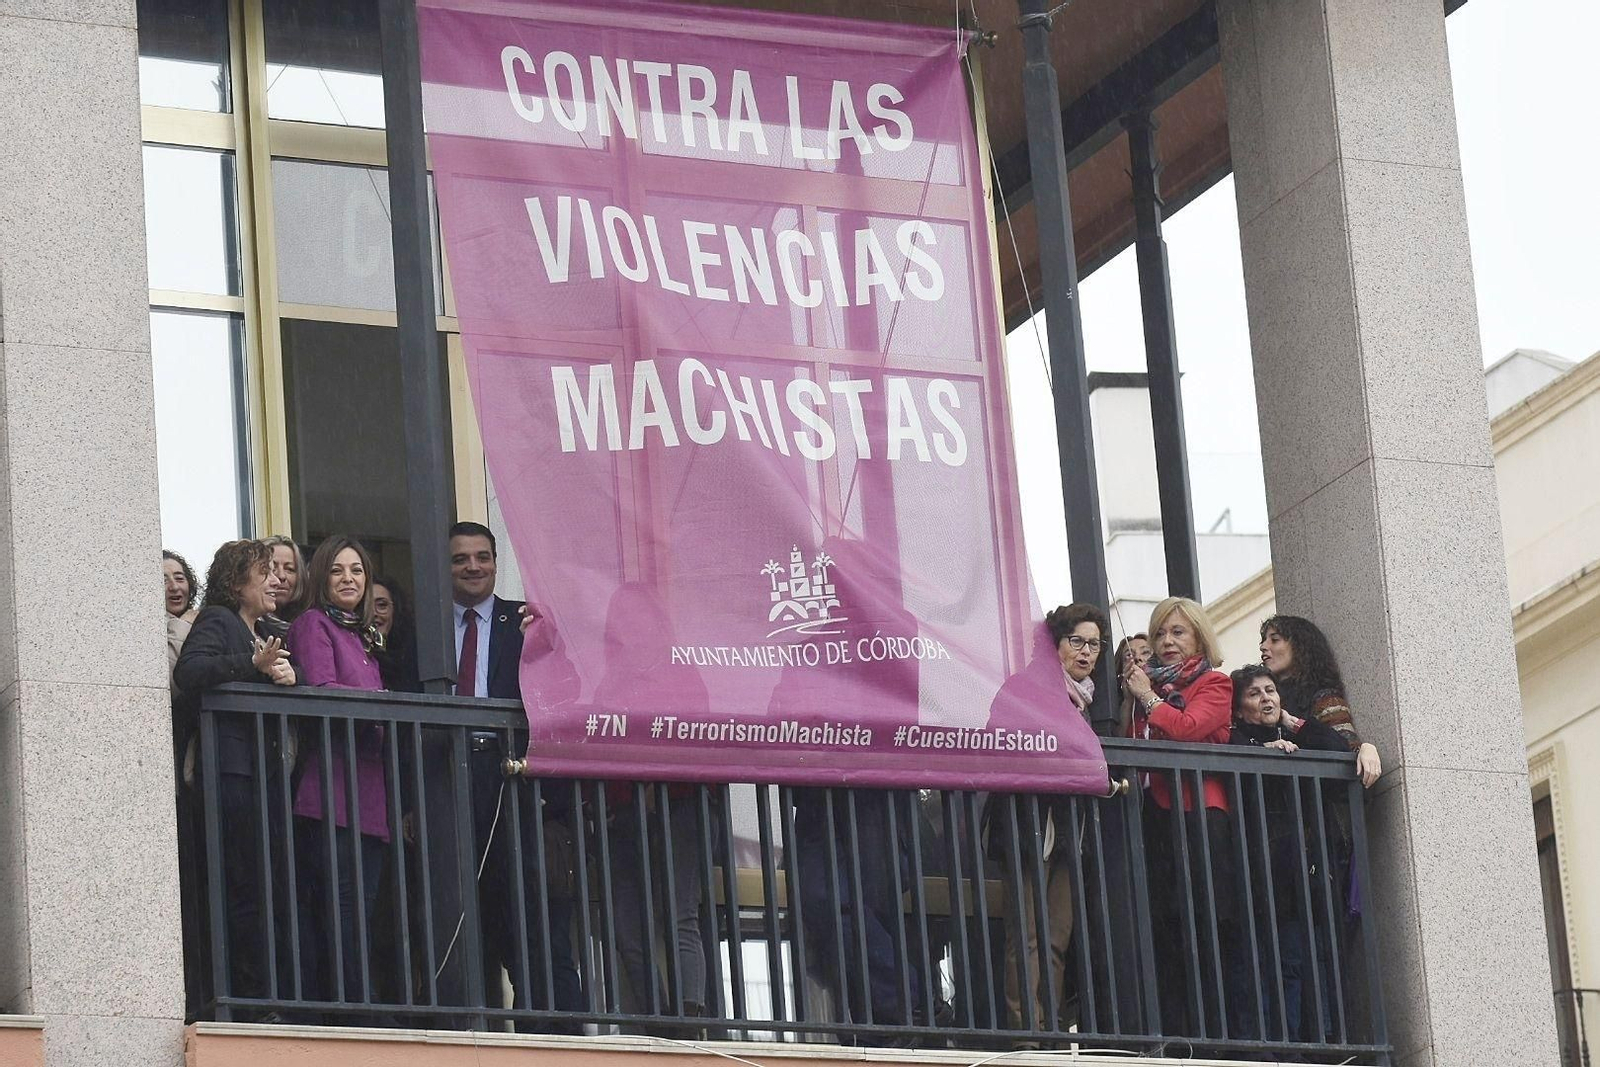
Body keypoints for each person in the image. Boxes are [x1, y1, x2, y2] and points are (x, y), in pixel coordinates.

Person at [447, 520, 584, 1028]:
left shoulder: (521, 621)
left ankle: (555, 1032)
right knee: (467, 908)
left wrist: (543, 642)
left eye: (482, 556)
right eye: (461, 558)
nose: (473, 566)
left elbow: (562, 689)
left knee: (532, 910)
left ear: (495, 561)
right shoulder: (430, 626)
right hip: (453, 778)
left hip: (515, 779)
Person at [172, 538, 297, 1018]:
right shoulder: (219, 620)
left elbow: (274, 673)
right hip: (229, 773)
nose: (276, 580)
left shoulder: (262, 628)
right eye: (264, 572)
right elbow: (191, 670)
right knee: (241, 884)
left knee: (260, 885)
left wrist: (289, 675)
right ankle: (244, 997)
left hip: (257, 775)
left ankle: (258, 992)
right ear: (235, 582)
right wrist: (254, 665)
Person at [594, 583, 711, 1027]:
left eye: (638, 617)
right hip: (621, 816)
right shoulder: (611, 678)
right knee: (628, 930)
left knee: (680, 913)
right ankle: (658, 1017)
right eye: (620, 618)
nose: (629, 627)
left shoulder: (680, 673)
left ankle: (688, 1018)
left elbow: (693, 735)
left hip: (676, 808)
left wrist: (650, 785)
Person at [1123, 596, 1238, 1040]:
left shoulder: (1215, 683)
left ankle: (1219, 1037)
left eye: (1178, 632)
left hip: (1201, 817)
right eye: (1160, 634)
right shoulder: (1141, 687)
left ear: (1198, 637)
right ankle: (1179, 1034)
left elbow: (1189, 728)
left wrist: (1148, 698)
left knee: (1209, 927)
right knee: (1166, 928)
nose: (1167, 641)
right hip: (1157, 816)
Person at [287, 534, 390, 1009]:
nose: (349, 579)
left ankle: (363, 998)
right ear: (321, 578)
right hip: (333, 785)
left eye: (357, 571)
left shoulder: (362, 636)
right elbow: (325, 692)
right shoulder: (314, 624)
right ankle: (352, 1005)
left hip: (369, 791)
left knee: (366, 908)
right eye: (337, 570)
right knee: (342, 905)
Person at [997, 603, 1108, 1039]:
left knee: (1057, 936)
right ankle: (1028, 1031)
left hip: (1066, 828)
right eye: (1075, 641)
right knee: (1026, 935)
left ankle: (1053, 1029)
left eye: (1094, 644)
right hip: (1028, 824)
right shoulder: (1025, 687)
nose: (1085, 652)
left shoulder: (1089, 698)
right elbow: (999, 738)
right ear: (1055, 645)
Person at [1228, 664, 1350, 1044]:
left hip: (1305, 872)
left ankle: (1324, 1039)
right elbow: (1232, 755)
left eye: (1270, 691)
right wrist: (1264, 751)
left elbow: (1336, 749)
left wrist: (1292, 723)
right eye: (1254, 694)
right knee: (1285, 964)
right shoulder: (1236, 741)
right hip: (1266, 876)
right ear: (1237, 709)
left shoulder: (1294, 734)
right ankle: (1290, 1044)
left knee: (1315, 959)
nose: (1265, 698)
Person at [1258, 616, 1382, 787]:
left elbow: (1346, 746)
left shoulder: (1323, 697)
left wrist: (1367, 748)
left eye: (1275, 640)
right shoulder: (1260, 700)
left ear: (1299, 646)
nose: (1263, 647)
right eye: (1264, 641)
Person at [371, 575, 420, 693]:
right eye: (365, 606)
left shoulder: (414, 655)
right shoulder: (352, 657)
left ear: (396, 610)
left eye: (382, 605)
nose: (373, 613)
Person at [163, 549, 200, 685]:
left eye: (179, 578)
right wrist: (182, 624)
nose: (174, 586)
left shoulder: (202, 619)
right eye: (164, 581)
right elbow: (168, 683)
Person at [262, 535, 310, 636]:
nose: (281, 576)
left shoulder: (308, 626)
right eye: (272, 568)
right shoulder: (247, 627)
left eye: (290, 569)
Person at [1113, 632, 1152, 734]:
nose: (1137, 658)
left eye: (1145, 652)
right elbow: (1117, 740)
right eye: (1129, 655)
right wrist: (1128, 700)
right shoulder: (1113, 703)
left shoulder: (1168, 691)